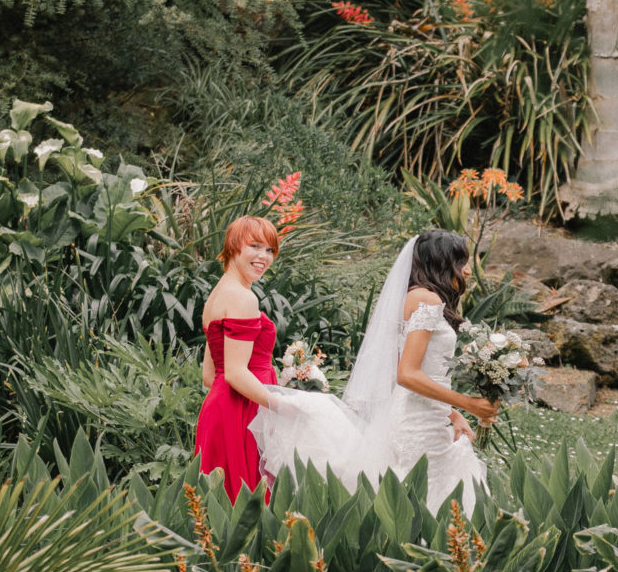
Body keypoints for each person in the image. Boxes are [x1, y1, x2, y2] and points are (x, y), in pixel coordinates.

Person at [253, 230, 497, 512]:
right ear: (444, 262)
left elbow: (411, 368)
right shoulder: (426, 300)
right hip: (417, 421)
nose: (467, 269)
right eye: (462, 261)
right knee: (424, 496)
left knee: (424, 493)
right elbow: (407, 374)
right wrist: (467, 404)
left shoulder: (419, 297)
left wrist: (452, 414)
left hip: (425, 415)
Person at [193, 216, 280, 501]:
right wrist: (283, 405)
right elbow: (234, 373)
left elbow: (210, 376)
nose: (263, 256)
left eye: (269, 250)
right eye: (254, 245)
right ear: (232, 247)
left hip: (220, 411)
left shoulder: (217, 295)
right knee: (247, 507)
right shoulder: (243, 299)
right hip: (242, 415)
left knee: (221, 511)